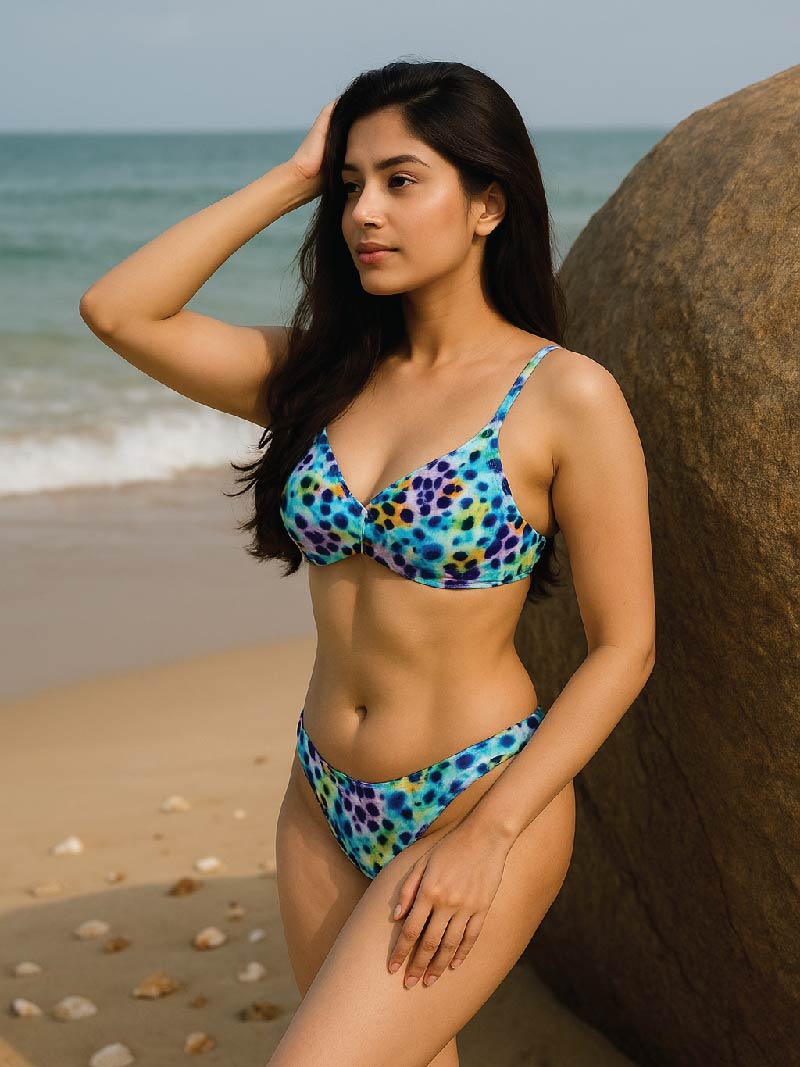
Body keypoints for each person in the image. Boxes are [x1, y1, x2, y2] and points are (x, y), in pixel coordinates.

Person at [80, 59, 656, 1067]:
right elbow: (119, 310)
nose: (363, 212)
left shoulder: (563, 395)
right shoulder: (320, 375)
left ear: (486, 204)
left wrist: (490, 836)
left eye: (400, 180)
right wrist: (288, 177)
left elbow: (624, 644)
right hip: (320, 793)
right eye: (349, 185)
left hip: (476, 795)